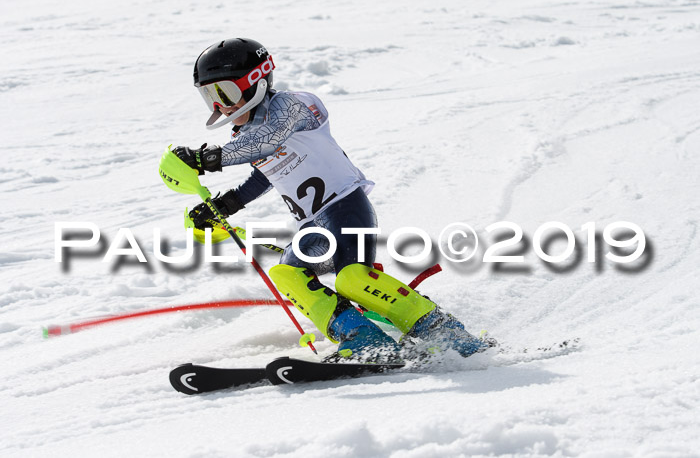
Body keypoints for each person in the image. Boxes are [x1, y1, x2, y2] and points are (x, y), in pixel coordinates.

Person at [174, 38, 485, 362]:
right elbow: (266, 173)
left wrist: (204, 159)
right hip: (313, 227)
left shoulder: (291, 106)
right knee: (287, 274)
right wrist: (224, 206)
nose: (219, 105)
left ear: (256, 80)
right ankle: (363, 339)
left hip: (345, 209)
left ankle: (444, 331)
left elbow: (269, 141)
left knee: (353, 279)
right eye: (209, 96)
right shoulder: (247, 135)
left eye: (224, 92)